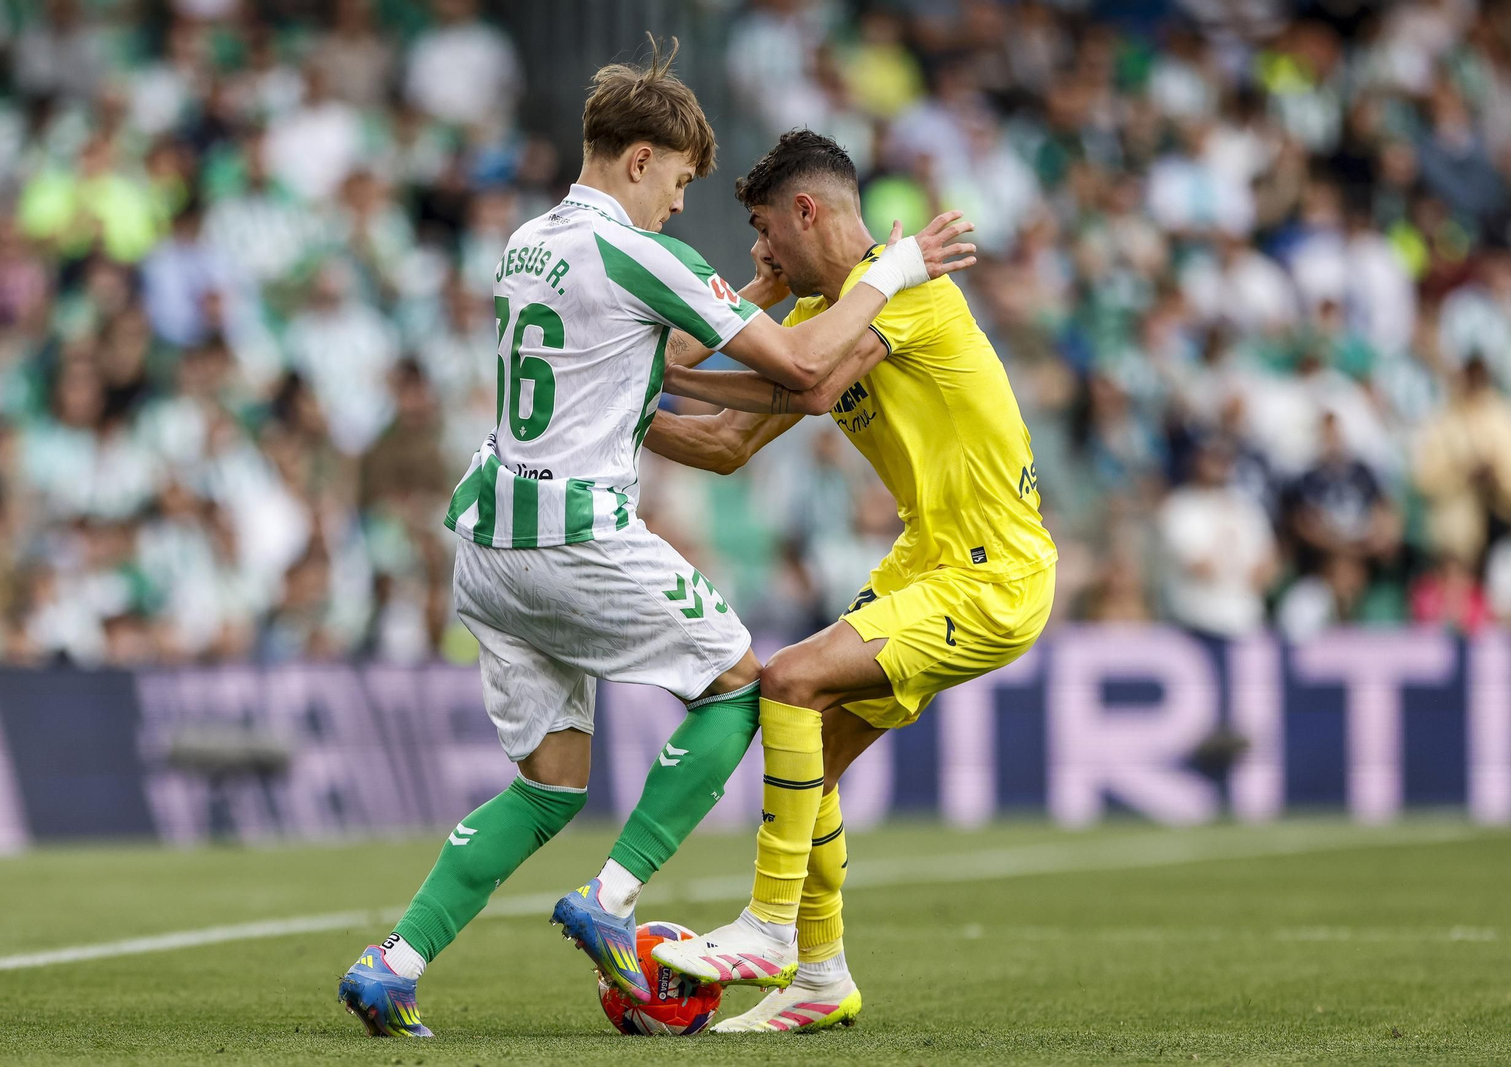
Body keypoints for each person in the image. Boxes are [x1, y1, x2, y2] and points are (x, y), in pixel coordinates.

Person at [335, 44, 975, 1038]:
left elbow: (646, 347)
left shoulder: (527, 244)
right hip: (575, 532)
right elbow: (808, 364)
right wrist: (893, 268)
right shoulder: (641, 250)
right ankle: (614, 897)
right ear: (640, 160)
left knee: (548, 784)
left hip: (488, 543)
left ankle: (395, 961)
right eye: (678, 182)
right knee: (739, 682)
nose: (680, 206)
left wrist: (749, 296)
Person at [641, 130, 1056, 1032]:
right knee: (811, 762)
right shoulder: (818, 318)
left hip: (993, 573)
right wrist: (620, 423)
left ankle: (767, 928)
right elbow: (715, 437)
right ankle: (820, 975)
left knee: (788, 679)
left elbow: (812, 388)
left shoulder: (906, 287)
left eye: (761, 231)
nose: (759, 251)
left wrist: (671, 377)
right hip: (930, 563)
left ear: (805, 211)